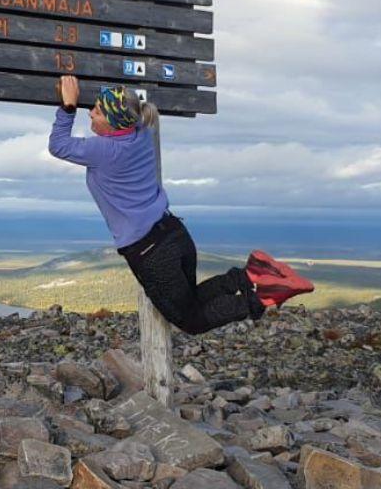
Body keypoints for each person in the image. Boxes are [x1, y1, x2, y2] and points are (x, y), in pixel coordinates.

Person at [47, 74, 313, 335]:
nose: (90, 113)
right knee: (192, 301)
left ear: (116, 123)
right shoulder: (140, 133)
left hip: (150, 251)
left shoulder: (105, 151)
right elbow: (130, 110)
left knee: (191, 321)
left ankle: (263, 297)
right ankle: (252, 273)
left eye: (97, 111)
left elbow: (58, 146)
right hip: (174, 233)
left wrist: (68, 105)